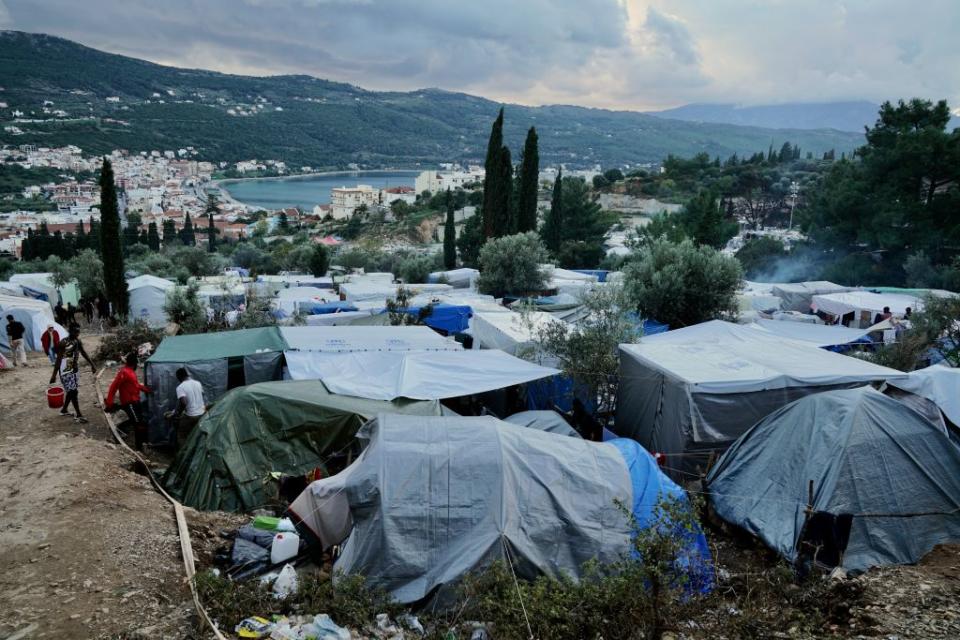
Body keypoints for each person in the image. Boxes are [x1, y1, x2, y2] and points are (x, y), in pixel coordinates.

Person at [50, 324, 97, 424]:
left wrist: (92, 364)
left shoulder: (77, 341)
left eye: (78, 331)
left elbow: (83, 352)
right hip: (65, 369)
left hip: (74, 369)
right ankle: (79, 415)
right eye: (75, 331)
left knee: (72, 391)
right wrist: (54, 375)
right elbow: (58, 359)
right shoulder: (63, 343)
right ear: (70, 331)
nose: (77, 333)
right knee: (73, 392)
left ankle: (64, 410)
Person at [105, 352, 152, 450]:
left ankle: (143, 443)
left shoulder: (131, 372)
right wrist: (109, 403)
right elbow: (113, 387)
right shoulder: (124, 372)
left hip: (135, 401)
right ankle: (139, 448)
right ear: (134, 363)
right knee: (138, 423)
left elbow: (135, 385)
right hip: (129, 403)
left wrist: (146, 389)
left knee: (139, 421)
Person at [169, 368, 206, 447]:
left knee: (182, 435)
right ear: (187, 375)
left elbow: (184, 402)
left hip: (191, 415)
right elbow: (202, 394)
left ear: (179, 377)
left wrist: (178, 413)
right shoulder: (198, 383)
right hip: (202, 413)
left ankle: (183, 454)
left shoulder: (180, 387)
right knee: (197, 434)